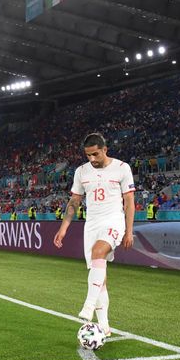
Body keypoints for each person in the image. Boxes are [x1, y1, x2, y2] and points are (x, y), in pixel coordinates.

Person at [53, 133, 135, 338]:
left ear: (105, 149)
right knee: (100, 277)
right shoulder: (81, 172)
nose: (92, 159)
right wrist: (64, 228)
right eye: (88, 155)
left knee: (99, 253)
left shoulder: (122, 168)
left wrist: (129, 230)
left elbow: (130, 202)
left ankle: (88, 306)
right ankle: (105, 326)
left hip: (113, 220)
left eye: (95, 154)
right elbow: (74, 202)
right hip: (92, 225)